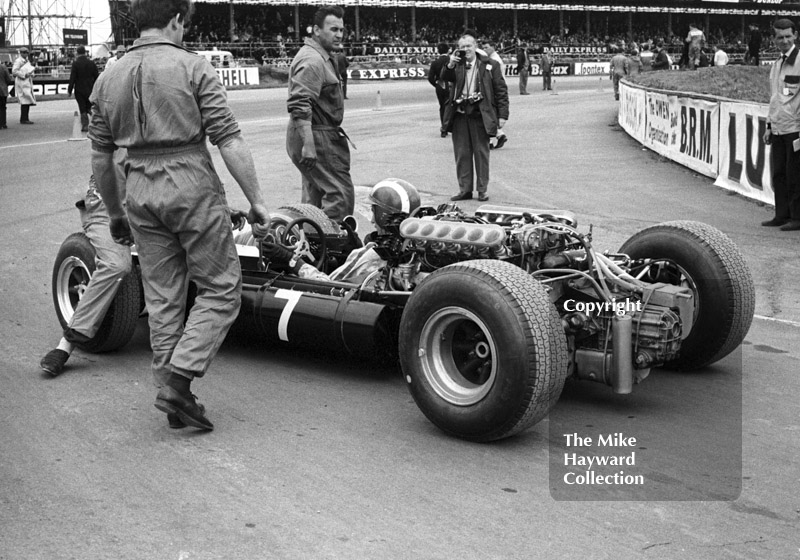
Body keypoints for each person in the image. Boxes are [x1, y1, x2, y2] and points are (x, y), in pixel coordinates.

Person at [88, 0, 271, 431]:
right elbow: (228, 138)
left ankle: (171, 394)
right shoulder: (193, 67)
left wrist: (115, 213)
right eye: (184, 24)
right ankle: (179, 381)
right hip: (189, 181)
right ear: (175, 21)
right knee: (222, 288)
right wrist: (257, 199)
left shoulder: (107, 75)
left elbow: (100, 155)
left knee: (163, 295)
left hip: (137, 186)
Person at [286, 5, 355, 223]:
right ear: (316, 30)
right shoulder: (313, 60)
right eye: (333, 29)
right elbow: (300, 104)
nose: (339, 35)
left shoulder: (321, 56)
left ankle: (311, 248)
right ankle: (331, 250)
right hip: (317, 134)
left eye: (341, 30)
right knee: (339, 196)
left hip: (315, 132)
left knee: (314, 197)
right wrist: (309, 144)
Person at [441, 29, 509, 202]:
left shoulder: (489, 65)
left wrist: (503, 115)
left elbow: (501, 90)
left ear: (476, 46)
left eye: (469, 45)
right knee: (462, 154)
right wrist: (449, 64)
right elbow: (444, 78)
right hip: (460, 114)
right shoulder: (455, 64)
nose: (466, 49)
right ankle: (465, 189)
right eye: (462, 46)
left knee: (481, 154)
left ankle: (482, 189)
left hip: (480, 114)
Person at [762, 18, 800, 232]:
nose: (784, 40)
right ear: (774, 39)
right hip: (777, 128)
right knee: (779, 174)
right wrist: (768, 126)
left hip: (795, 129)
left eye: (788, 36)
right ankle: (781, 215)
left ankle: (797, 217)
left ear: (795, 36)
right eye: (780, 37)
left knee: (795, 175)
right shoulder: (776, 65)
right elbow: (774, 98)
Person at [480, 40, 508, 150]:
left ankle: (492, 139)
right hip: (494, 89)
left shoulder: (494, 61)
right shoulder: (493, 59)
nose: (484, 50)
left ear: (493, 47)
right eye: (483, 48)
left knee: (489, 115)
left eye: (486, 47)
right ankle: (498, 135)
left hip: (494, 90)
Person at [68, 46, 99, 132]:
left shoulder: (75, 63)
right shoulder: (91, 63)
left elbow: (72, 78)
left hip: (79, 89)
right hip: (90, 88)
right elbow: (97, 76)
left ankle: (85, 125)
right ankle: (98, 122)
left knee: (82, 107)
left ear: (77, 53)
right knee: (90, 106)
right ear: (85, 52)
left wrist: (70, 90)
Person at [427, 42, 451, 136]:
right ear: (448, 50)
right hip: (450, 85)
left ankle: (444, 128)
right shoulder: (451, 60)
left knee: (442, 107)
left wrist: (436, 85)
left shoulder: (435, 63)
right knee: (452, 107)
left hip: (440, 85)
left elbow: (430, 78)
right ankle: (450, 126)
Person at [12, 47, 36, 125]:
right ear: (21, 53)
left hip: (26, 81)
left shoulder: (26, 61)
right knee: (24, 100)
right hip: (21, 82)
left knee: (27, 99)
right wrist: (24, 74)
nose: (26, 54)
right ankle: (24, 118)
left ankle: (25, 118)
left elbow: (29, 69)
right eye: (24, 52)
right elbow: (14, 71)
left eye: (27, 53)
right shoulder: (18, 61)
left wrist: (31, 73)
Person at [0, 62, 11, 129]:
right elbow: (8, 79)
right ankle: (3, 123)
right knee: (3, 107)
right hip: (3, 90)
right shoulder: (3, 67)